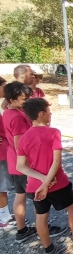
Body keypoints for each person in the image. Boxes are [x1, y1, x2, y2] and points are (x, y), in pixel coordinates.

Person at [16, 98, 73, 254]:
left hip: (35, 185)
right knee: (71, 208)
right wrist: (47, 181)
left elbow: (20, 166)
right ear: (42, 114)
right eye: (49, 112)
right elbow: (56, 161)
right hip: (58, 182)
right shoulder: (54, 132)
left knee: (41, 216)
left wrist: (42, 180)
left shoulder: (24, 138)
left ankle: (48, 248)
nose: (51, 114)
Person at [3, 81, 66, 242]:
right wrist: (39, 173)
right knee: (38, 200)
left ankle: (22, 229)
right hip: (25, 165)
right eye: (24, 99)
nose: (27, 102)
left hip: (14, 161)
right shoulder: (17, 117)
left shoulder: (9, 112)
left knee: (20, 194)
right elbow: (19, 144)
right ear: (12, 100)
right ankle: (42, 229)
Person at [0, 77, 15, 228]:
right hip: (1, 153)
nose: (5, 90)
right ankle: (4, 218)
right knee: (2, 185)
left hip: (4, 150)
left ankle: (5, 214)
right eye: (3, 87)